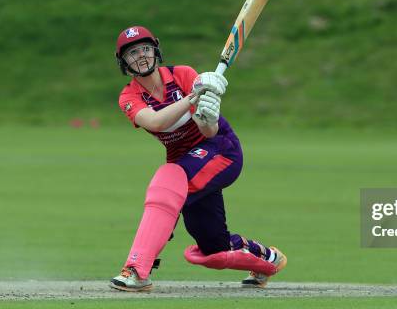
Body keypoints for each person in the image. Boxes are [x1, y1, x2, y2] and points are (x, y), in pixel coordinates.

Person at [109, 26, 286, 291]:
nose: (141, 56)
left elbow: (208, 130)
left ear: (155, 50)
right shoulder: (129, 96)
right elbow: (156, 121)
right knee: (212, 246)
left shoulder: (183, 75)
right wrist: (194, 96)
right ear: (123, 62)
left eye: (145, 49)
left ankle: (137, 269)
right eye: (132, 53)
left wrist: (209, 115)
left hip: (220, 149)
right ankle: (267, 259)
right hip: (185, 161)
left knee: (166, 182)